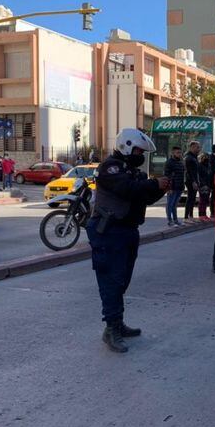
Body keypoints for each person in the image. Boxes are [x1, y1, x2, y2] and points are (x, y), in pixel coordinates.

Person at [86, 128, 169, 353]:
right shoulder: (111, 167)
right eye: (139, 150)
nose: (141, 154)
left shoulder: (134, 171)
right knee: (111, 280)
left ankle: (118, 323)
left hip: (128, 231)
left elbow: (145, 196)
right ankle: (111, 329)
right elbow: (127, 189)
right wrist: (154, 184)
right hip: (108, 232)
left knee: (122, 280)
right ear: (127, 146)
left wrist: (162, 187)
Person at [164, 146, 185, 227]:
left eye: (180, 152)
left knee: (174, 205)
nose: (179, 154)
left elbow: (182, 175)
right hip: (172, 187)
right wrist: (168, 188)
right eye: (177, 152)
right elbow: (167, 176)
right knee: (170, 204)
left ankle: (175, 220)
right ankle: (170, 221)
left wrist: (182, 186)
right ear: (173, 153)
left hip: (179, 186)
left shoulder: (181, 162)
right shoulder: (169, 162)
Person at [184, 141, 201, 221]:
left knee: (193, 198)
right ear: (192, 147)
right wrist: (193, 181)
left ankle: (191, 215)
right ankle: (186, 216)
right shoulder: (189, 157)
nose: (199, 149)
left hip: (194, 180)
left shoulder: (194, 157)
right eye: (197, 147)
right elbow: (189, 171)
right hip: (190, 180)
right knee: (190, 198)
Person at [198, 152, 212, 220]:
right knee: (202, 200)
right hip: (202, 185)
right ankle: (201, 214)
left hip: (208, 184)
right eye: (204, 157)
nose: (206, 158)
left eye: (207, 157)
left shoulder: (209, 165)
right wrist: (203, 184)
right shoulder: (200, 165)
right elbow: (199, 176)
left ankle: (204, 214)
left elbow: (210, 175)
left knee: (206, 200)